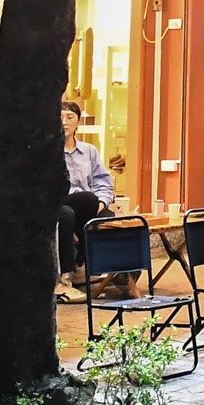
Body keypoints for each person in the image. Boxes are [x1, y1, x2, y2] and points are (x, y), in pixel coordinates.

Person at [57, 99, 116, 303]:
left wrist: (101, 204)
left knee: (107, 214)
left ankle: (116, 269)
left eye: (69, 117)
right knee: (76, 206)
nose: (64, 122)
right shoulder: (50, 152)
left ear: (78, 122)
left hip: (86, 209)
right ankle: (69, 275)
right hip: (61, 203)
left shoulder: (89, 151)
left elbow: (104, 183)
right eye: (60, 117)